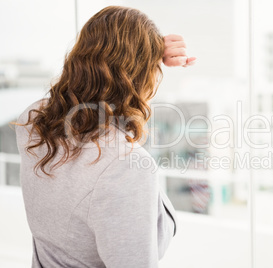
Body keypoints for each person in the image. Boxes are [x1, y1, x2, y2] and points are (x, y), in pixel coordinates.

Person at [13, 6, 196, 268]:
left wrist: (147, 48)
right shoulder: (124, 166)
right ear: (141, 75)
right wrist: (146, 54)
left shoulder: (34, 120)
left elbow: (98, 121)